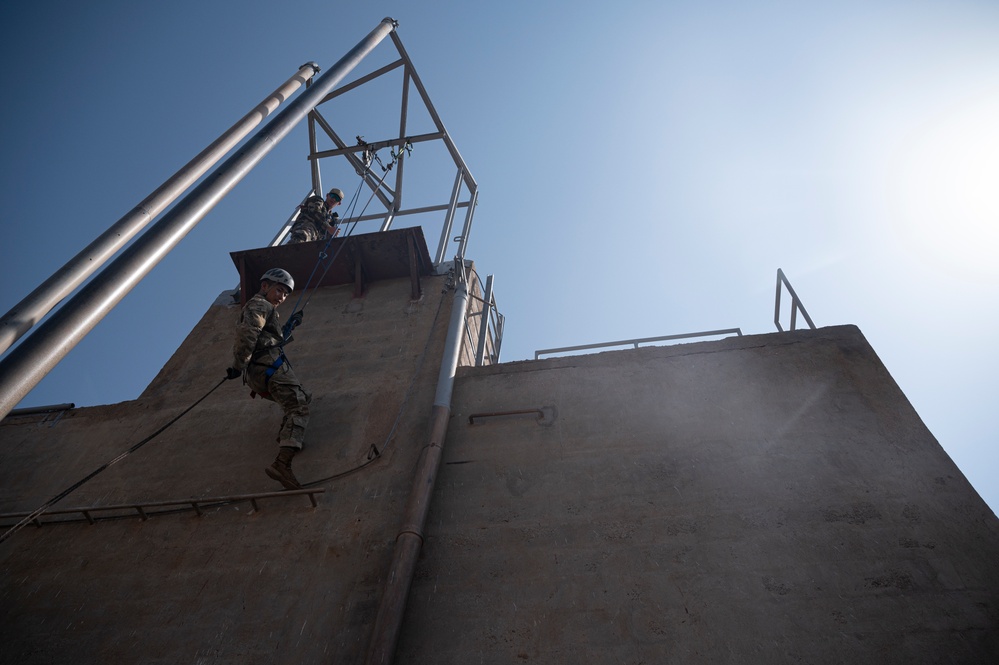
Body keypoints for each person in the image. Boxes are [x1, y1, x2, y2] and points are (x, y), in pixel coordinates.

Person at [226, 268, 311, 489]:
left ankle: (287, 436)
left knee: (300, 398)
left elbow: (268, 337)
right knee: (298, 407)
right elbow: (249, 333)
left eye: (285, 294)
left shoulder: (265, 308)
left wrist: (289, 327)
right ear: (265, 286)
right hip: (269, 367)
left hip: (262, 370)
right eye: (279, 290)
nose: (282, 297)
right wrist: (237, 365)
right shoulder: (260, 305)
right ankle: (282, 463)